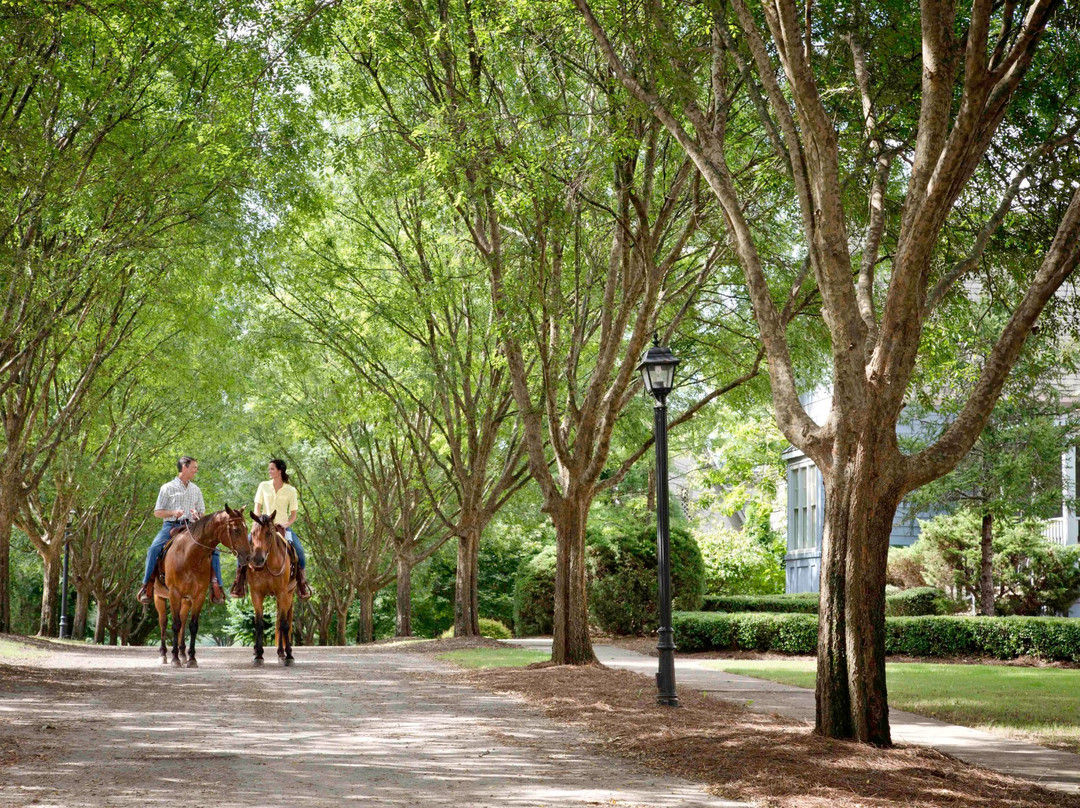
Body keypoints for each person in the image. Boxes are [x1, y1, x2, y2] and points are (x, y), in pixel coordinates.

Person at [135, 456, 225, 605]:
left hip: (192, 528)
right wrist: (172, 512)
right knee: (153, 549)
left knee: (214, 550)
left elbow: (202, 512)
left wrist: (198, 515)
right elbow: (157, 512)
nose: (196, 470)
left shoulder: (196, 490)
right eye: (193, 467)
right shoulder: (167, 488)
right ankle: (147, 586)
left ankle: (217, 588)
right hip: (171, 526)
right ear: (184, 467)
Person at [232, 458, 312, 599]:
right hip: (262, 525)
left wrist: (286, 524)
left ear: (280, 471)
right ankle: (239, 582)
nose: (269, 471)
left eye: (272, 469)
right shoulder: (263, 485)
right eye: (269, 469)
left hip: (281, 527)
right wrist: (257, 522)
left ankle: (302, 585)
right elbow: (257, 507)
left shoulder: (290, 490)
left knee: (299, 550)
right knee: (245, 546)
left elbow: (293, 514)